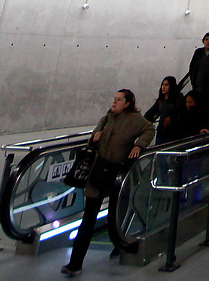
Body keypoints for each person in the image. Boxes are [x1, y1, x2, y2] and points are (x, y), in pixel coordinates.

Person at [62, 88, 154, 277]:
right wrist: (95, 135)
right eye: (114, 99)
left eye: (119, 100)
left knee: (115, 216)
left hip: (116, 173)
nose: (114, 102)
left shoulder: (135, 120)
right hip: (97, 172)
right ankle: (75, 263)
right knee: (88, 219)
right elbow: (95, 136)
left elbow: (150, 129)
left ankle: (121, 244)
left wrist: (139, 145)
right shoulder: (107, 117)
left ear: (128, 103)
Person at [144, 76, 183, 145]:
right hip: (161, 131)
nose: (163, 87)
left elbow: (182, 112)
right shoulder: (161, 100)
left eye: (166, 85)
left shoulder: (178, 99)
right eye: (163, 84)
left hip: (173, 132)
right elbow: (150, 112)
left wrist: (171, 118)